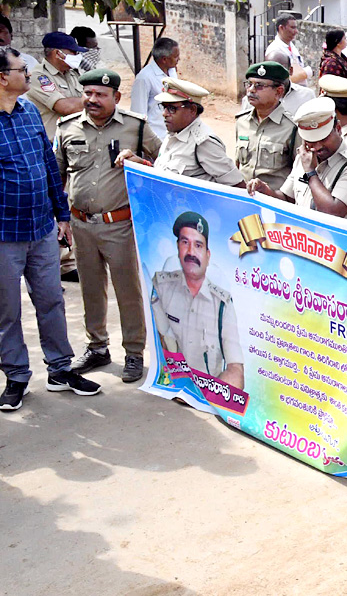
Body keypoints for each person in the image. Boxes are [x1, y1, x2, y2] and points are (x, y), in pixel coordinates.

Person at [0, 47, 101, 411]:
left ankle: (60, 369)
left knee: (51, 300)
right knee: (7, 310)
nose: (27, 73)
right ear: (1, 77)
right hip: (4, 235)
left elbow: (47, 164)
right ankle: (16, 377)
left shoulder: (28, 112)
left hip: (42, 228)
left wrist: (61, 215)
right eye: (20, 69)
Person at [58, 68, 161, 383]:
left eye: (100, 95)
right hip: (81, 224)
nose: (92, 100)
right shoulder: (67, 128)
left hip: (119, 224)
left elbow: (165, 164)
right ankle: (97, 347)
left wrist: (140, 162)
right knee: (90, 289)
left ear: (116, 97)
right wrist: (61, 217)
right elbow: (58, 175)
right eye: (87, 94)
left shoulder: (136, 129)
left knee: (127, 291)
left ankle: (133, 353)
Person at [149, 211, 244, 389]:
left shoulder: (223, 304)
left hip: (207, 393)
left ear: (208, 255)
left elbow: (235, 370)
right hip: (173, 387)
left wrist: (208, 396)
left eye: (198, 245)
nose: (191, 252)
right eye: (185, 242)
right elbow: (160, 343)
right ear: (178, 248)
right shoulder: (161, 287)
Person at [247, 98, 347, 222]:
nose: (317, 147)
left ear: (338, 129)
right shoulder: (305, 157)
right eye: (310, 141)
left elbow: (333, 212)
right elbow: (287, 198)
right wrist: (266, 191)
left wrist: (311, 173)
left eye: (323, 139)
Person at [121, 77, 244, 186]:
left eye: (172, 109)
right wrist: (141, 163)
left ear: (193, 110)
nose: (164, 114)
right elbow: (166, 177)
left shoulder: (203, 142)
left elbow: (236, 186)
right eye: (164, 107)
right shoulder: (173, 134)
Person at [235, 62, 298, 191]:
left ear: (279, 91)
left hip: (274, 201)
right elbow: (238, 164)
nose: (251, 90)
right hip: (245, 197)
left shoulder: (292, 127)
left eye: (259, 86)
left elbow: (298, 172)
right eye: (249, 84)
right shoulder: (242, 121)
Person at [26, 31, 87, 140]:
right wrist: (96, 101)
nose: (78, 56)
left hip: (76, 139)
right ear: (57, 53)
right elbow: (66, 107)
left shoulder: (73, 73)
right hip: (52, 144)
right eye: (73, 52)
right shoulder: (38, 76)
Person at [130, 37, 179, 139]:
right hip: (155, 137)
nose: (179, 59)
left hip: (171, 135)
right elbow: (138, 114)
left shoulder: (172, 71)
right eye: (176, 56)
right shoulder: (144, 78)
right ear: (164, 59)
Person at [264, 15, 312, 86]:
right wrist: (306, 72)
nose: (296, 31)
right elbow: (278, 79)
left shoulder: (292, 47)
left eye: (296, 28)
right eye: (292, 28)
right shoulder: (274, 50)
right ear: (281, 28)